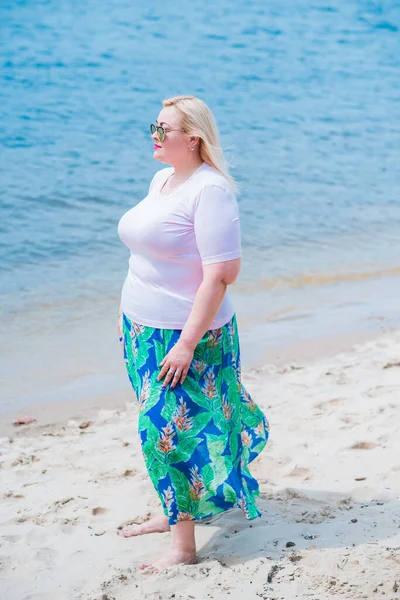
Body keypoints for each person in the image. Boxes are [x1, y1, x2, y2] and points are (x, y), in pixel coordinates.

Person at [117, 95, 269, 571]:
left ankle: (183, 548)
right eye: (154, 126)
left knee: (163, 434)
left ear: (194, 139)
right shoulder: (163, 179)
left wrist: (185, 342)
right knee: (161, 424)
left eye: (165, 129)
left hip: (190, 335)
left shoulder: (211, 191)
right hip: (142, 328)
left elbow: (221, 273)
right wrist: (129, 327)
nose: (155, 136)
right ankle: (173, 511)